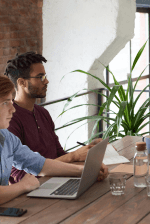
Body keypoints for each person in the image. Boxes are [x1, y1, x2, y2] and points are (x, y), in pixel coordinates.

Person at [0, 76, 108, 205]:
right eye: (6, 103)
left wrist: (86, 171)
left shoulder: (6, 137)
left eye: (11, 102)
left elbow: (39, 164)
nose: (13, 109)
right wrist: (22, 186)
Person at [4, 52, 104, 184]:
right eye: (40, 77)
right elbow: (19, 176)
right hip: (32, 191)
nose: (46, 81)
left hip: (57, 179)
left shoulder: (42, 112)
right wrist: (74, 157)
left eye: (45, 76)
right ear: (22, 82)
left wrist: (85, 157)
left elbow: (59, 154)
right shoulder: (9, 120)